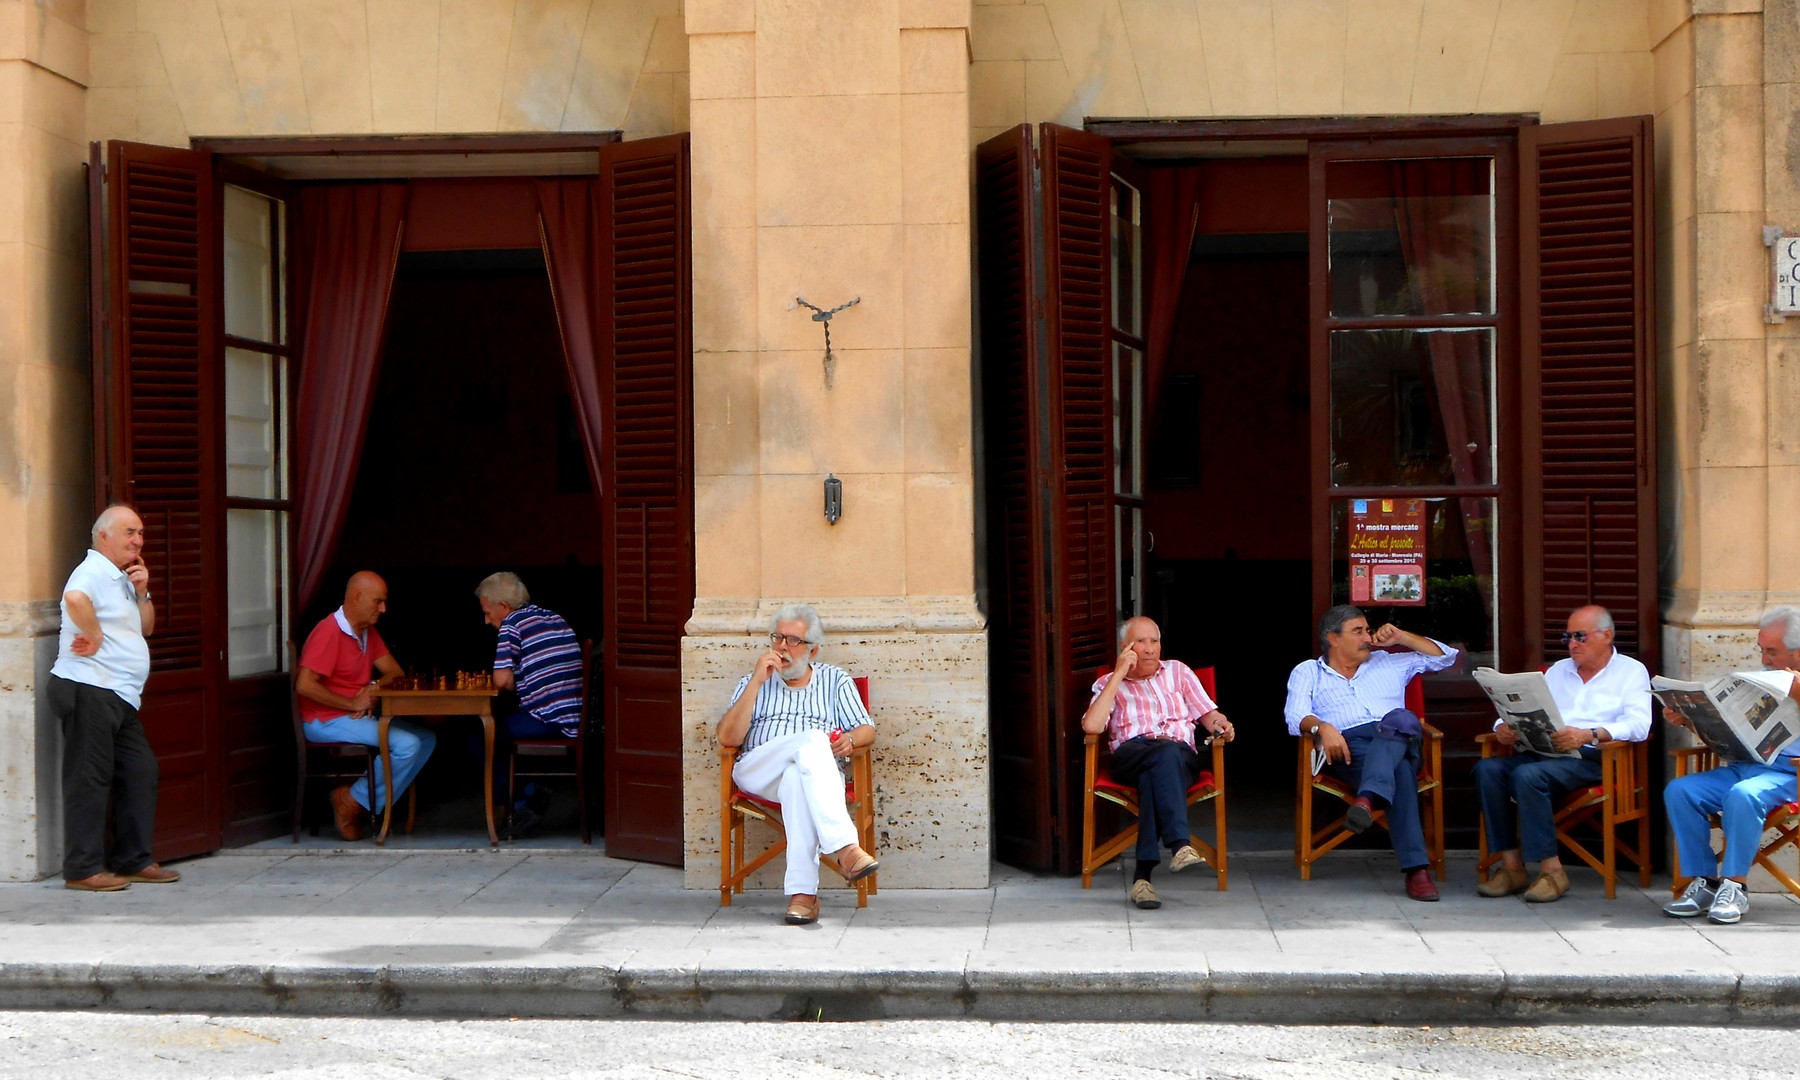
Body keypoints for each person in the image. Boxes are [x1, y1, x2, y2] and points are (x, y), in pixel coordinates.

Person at [1472, 605, 1651, 903]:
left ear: (1606, 635)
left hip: (1593, 758)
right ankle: (1512, 866)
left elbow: (1639, 725)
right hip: (1543, 751)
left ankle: (1552, 871)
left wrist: (1590, 734)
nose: (1572, 644)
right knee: (1487, 770)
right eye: (1567, 637)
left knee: (1528, 776)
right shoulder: (1559, 670)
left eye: (1580, 636)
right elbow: (1531, 709)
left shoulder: (1631, 672)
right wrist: (1503, 726)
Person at [718, 604, 880, 925]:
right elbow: (726, 737)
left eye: (793, 641)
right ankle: (846, 847)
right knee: (812, 740)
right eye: (778, 638)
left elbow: (867, 730)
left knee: (797, 778)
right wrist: (755, 683)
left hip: (811, 778)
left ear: (813, 650)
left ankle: (803, 897)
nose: (782, 647)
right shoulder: (753, 682)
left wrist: (851, 739)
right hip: (758, 770)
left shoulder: (835, 681)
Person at [1284, 604, 1459, 902]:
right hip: (1350, 749)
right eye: (1357, 631)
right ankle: (1417, 872)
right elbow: (1294, 714)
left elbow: (1446, 658)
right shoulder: (1308, 671)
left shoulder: (1388, 662)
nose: (1368, 636)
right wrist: (1321, 727)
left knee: (1401, 719)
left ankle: (1367, 799)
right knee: (1401, 772)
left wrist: (1402, 636)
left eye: (1367, 629)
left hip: (1401, 737)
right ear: (1333, 638)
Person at [49, 505, 180, 892]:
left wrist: (142, 592)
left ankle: (132, 859)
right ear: (103, 536)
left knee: (141, 771)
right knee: (89, 780)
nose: (138, 540)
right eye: (129, 532)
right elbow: (74, 598)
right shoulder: (91, 571)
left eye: (140, 532)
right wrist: (96, 635)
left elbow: (148, 627)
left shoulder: (120, 577)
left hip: (118, 695)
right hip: (90, 686)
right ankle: (82, 869)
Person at [1083, 616, 1236, 909]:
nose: (1150, 649)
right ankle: (1179, 842)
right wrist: (1118, 675)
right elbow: (1092, 726)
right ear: (1125, 647)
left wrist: (1222, 724)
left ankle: (1143, 877)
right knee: (1161, 758)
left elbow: (1208, 715)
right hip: (1132, 755)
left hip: (1179, 758)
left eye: (1154, 641)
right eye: (1140, 642)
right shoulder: (1107, 683)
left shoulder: (1178, 672)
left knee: (1157, 771)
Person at [1661, 605, 1800, 925]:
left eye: (1773, 652)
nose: (1765, 660)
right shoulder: (1762, 680)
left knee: (1743, 795)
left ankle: (1735, 886)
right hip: (1744, 764)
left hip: (1789, 773)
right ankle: (1705, 883)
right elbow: (1725, 739)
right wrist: (1690, 720)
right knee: (1681, 790)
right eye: (1762, 650)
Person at [296, 571, 433, 841]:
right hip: (323, 720)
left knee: (426, 739)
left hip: (351, 717)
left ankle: (357, 800)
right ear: (357, 598)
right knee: (408, 745)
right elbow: (304, 685)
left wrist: (373, 689)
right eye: (378, 601)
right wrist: (350, 702)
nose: (384, 609)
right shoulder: (329, 631)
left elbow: (395, 672)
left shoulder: (367, 631)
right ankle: (351, 802)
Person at [476, 572, 584, 836]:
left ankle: (519, 801)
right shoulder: (553, 617)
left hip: (550, 721)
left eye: (488, 613)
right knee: (503, 727)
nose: (487, 620)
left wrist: (510, 678)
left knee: (481, 734)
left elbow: (500, 680)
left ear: (503, 606)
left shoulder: (512, 623)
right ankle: (532, 787)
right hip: (574, 718)